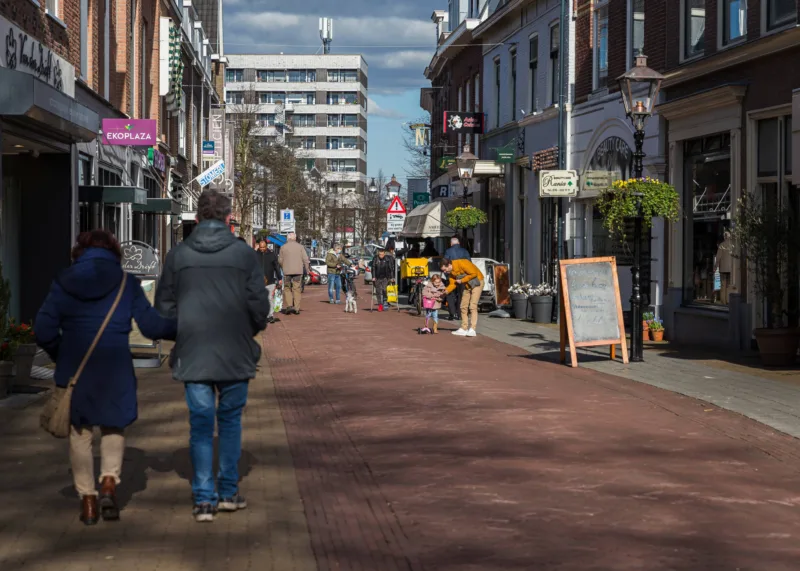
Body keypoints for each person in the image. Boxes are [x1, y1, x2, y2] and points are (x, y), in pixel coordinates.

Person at [35, 230, 176, 526]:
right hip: (115, 367)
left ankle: (88, 499)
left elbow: (44, 329)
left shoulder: (64, 281)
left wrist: (61, 353)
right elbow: (151, 326)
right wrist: (184, 328)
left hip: (76, 367)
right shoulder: (126, 283)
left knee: (80, 432)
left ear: (79, 252)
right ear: (115, 253)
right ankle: (109, 482)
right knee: (113, 426)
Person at [155, 190, 270, 523]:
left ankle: (204, 499)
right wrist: (246, 330)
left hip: (194, 354)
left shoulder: (178, 255)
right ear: (228, 217)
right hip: (235, 353)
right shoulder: (244, 255)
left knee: (201, 426)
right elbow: (260, 307)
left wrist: (186, 330)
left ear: (197, 218)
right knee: (230, 423)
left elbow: (164, 308)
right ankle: (228, 493)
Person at [439, 257, 484, 337]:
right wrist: (446, 290)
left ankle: (473, 329)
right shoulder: (451, 272)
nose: (445, 272)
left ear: (449, 265)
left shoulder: (462, 263)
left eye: (445, 269)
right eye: (443, 271)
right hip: (468, 284)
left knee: (473, 306)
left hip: (477, 282)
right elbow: (453, 284)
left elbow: (474, 273)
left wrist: (462, 280)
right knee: (463, 306)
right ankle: (464, 328)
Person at [277, 232, 310, 315]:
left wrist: (283, 267)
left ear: (288, 238)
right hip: (298, 272)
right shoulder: (300, 247)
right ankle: (297, 308)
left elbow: (280, 260)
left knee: (287, 288)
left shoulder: (283, 247)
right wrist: (307, 269)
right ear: (295, 238)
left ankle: (289, 306)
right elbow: (305, 259)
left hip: (287, 271)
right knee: (297, 289)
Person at [443, 237, 471, 321]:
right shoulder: (464, 251)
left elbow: (445, 262)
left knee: (450, 293)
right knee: (461, 294)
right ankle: (460, 314)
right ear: (459, 243)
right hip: (463, 276)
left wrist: (446, 274)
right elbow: (469, 262)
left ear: (451, 244)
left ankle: (452, 313)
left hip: (452, 275)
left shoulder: (448, 251)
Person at [256, 240, 282, 323]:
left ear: (266, 246)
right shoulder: (255, 255)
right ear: (258, 246)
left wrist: (279, 278)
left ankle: (270, 315)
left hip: (270, 280)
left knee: (269, 298)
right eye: (261, 247)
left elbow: (276, 267)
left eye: (264, 247)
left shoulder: (271, 255)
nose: (262, 249)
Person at [371, 247, 395, 312]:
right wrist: (373, 276)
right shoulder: (375, 258)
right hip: (377, 277)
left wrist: (392, 277)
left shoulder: (388, 259)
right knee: (378, 291)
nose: (380, 256)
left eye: (382, 254)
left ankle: (385, 302)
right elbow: (373, 268)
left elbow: (391, 269)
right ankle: (380, 305)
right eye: (379, 254)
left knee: (384, 290)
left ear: (384, 254)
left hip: (385, 277)